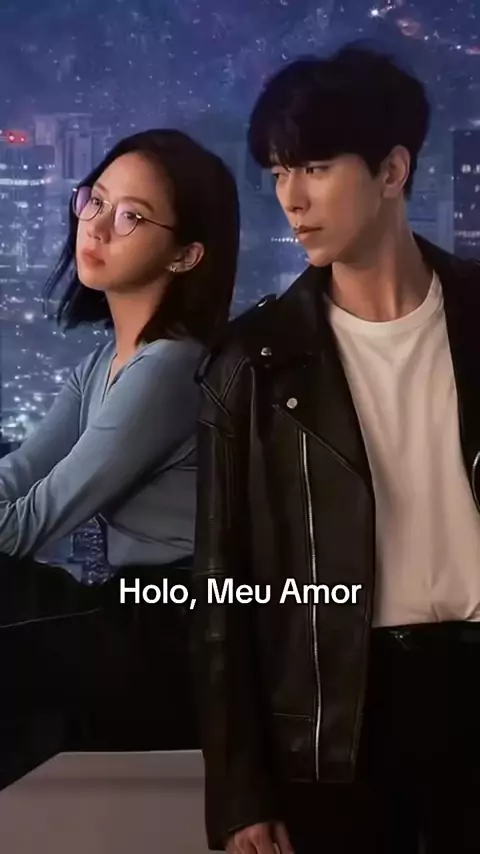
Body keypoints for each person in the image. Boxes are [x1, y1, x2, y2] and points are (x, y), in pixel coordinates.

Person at [192, 42, 480, 854]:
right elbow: (222, 589)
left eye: (316, 167)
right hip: (336, 715)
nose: (292, 197)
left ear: (392, 170)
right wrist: (240, 791)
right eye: (280, 171)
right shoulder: (252, 364)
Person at [0, 128, 239, 787]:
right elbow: (17, 477)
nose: (98, 226)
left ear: (186, 255)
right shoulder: (104, 361)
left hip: (178, 625)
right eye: (96, 200)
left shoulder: (169, 368)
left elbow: (24, 525)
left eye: (132, 216)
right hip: (129, 609)